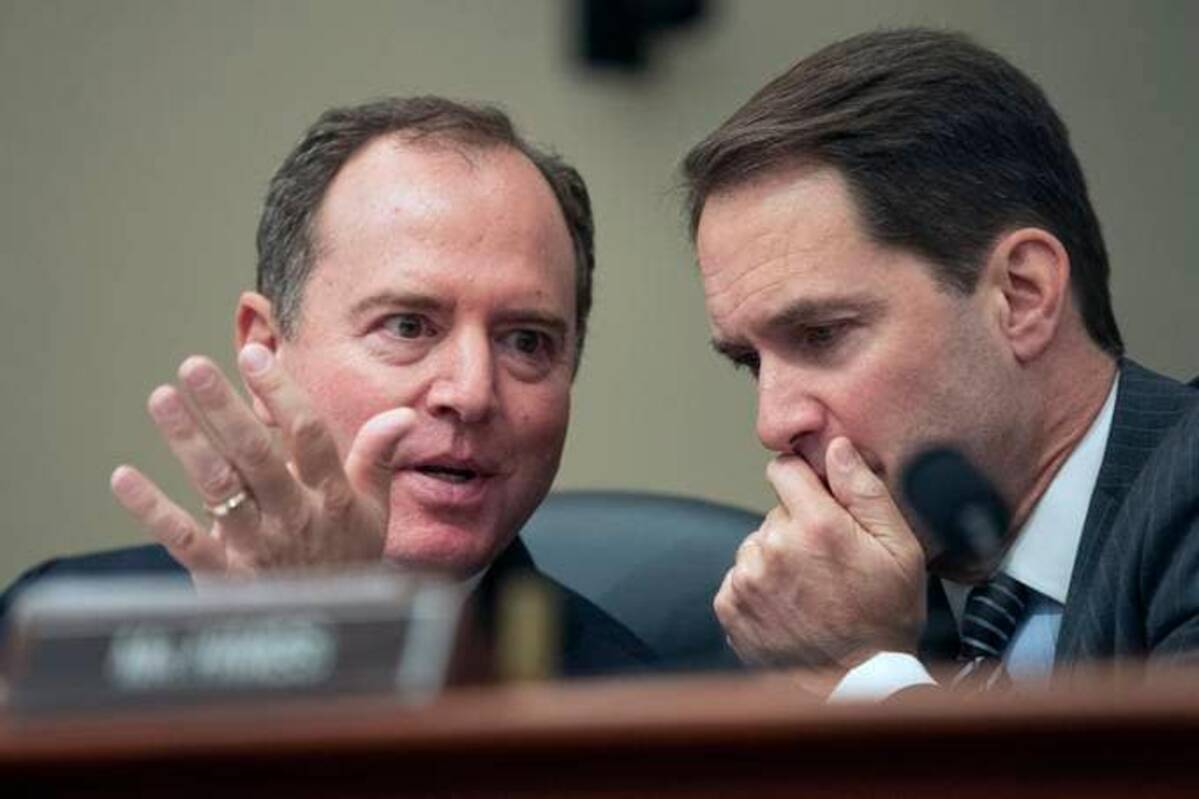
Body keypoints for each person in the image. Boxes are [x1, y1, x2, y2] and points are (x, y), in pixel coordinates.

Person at [1, 96, 653, 678]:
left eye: (526, 341)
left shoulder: (639, 719)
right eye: (407, 325)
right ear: (265, 351)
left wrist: (331, 644)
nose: (472, 391)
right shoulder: (45, 642)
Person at [680, 28, 1199, 698]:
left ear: (1021, 295)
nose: (773, 422)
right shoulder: (826, 605)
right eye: (750, 361)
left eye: (820, 334)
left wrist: (861, 673)